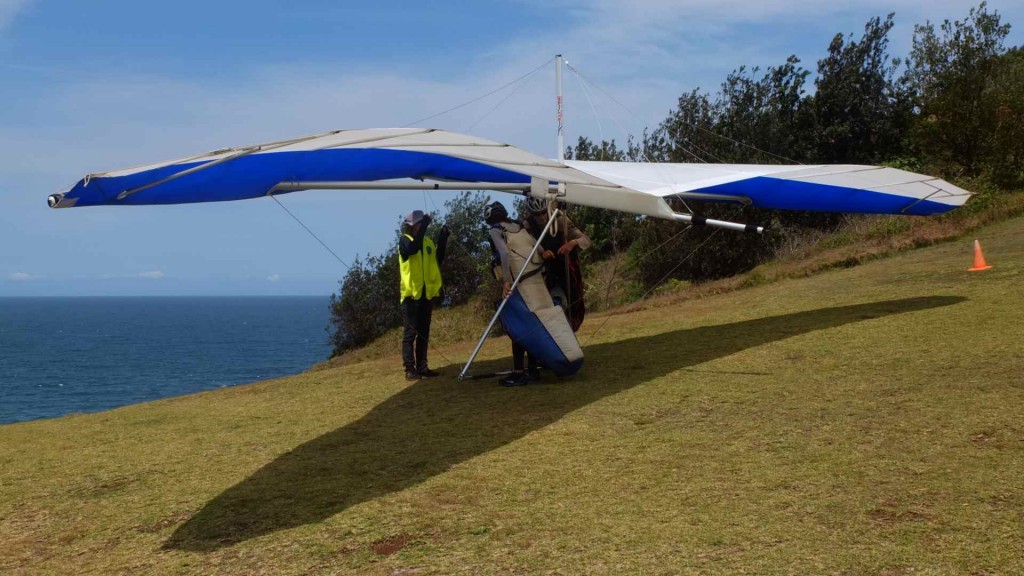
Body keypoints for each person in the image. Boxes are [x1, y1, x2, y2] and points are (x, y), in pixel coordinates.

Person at [485, 201, 541, 387]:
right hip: (536, 278)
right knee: (533, 322)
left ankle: (519, 373)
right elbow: (535, 245)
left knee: (517, 324)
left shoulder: (496, 229)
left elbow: (504, 253)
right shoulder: (519, 225)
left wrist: (506, 280)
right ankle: (533, 370)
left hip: (518, 281)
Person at [522, 196, 591, 331]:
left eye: (543, 212)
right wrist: (542, 252)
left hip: (567, 268)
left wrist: (572, 243)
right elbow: (527, 246)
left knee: (574, 302)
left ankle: (570, 330)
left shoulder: (558, 219)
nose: (541, 217)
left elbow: (586, 240)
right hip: (548, 270)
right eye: (537, 214)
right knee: (555, 301)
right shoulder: (528, 224)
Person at [398, 209, 449, 381]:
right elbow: (413, 249)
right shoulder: (405, 241)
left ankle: (422, 367)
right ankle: (409, 369)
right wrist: (427, 224)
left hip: (426, 296)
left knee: (423, 334)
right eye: (419, 223)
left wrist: (443, 238)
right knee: (409, 335)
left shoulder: (426, 242)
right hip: (411, 296)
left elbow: (438, 259)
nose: (421, 226)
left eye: (422, 223)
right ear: (411, 226)